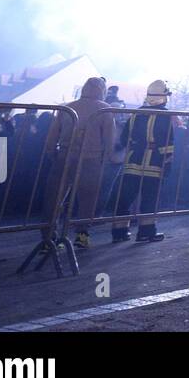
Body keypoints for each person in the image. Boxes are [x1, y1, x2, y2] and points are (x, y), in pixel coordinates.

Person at [44, 76, 116, 251]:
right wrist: (108, 157)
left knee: (55, 197)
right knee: (88, 198)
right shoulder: (104, 109)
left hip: (65, 156)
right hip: (91, 159)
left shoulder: (67, 107)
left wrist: (51, 152)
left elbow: (53, 134)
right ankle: (82, 235)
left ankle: (48, 237)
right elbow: (109, 138)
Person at [111, 80, 177, 243]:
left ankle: (119, 232)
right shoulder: (165, 115)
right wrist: (167, 162)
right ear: (163, 97)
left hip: (133, 160)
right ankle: (146, 232)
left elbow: (125, 137)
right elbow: (168, 141)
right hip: (154, 162)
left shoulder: (136, 113)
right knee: (150, 198)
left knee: (125, 197)